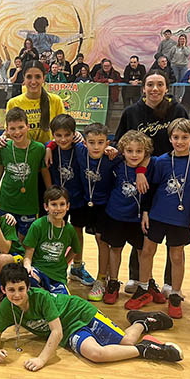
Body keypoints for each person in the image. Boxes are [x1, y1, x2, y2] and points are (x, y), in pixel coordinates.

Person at [114, 70, 190, 296]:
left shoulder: (177, 110)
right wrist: (139, 169)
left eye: (159, 84)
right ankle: (137, 276)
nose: (154, 89)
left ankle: (169, 282)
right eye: (150, 84)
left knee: (173, 232)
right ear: (143, 88)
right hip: (141, 177)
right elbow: (119, 143)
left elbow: (186, 137)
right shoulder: (131, 112)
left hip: (171, 175)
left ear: (166, 88)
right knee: (144, 229)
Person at [0, 264, 182, 371]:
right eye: (11, 290)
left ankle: (142, 322)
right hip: (70, 330)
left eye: (21, 289)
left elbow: (56, 332)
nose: (17, 295)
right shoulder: (7, 306)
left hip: (80, 312)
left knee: (127, 342)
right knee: (96, 355)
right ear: (3, 290)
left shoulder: (41, 298)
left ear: (28, 287)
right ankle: (146, 349)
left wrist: (41, 359)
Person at [135, 118, 190, 318]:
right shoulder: (161, 161)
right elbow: (150, 188)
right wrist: (145, 211)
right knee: (147, 251)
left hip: (181, 218)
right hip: (157, 215)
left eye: (184, 137)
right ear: (170, 138)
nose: (180, 141)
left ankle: (175, 293)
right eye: (176, 137)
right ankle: (144, 287)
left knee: (176, 256)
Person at [98, 130, 153, 306]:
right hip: (116, 215)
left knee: (142, 251)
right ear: (122, 151)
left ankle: (145, 285)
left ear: (145, 152)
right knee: (115, 249)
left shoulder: (150, 167)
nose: (134, 155)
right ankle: (113, 282)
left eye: (139, 151)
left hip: (138, 219)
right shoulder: (117, 164)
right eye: (129, 151)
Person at [45, 114, 95, 287]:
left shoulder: (80, 148)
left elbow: (96, 149)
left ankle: (77, 266)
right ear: (53, 135)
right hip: (57, 200)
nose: (63, 139)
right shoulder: (50, 149)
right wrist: (49, 146)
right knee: (55, 232)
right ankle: (53, 266)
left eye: (67, 135)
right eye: (58, 135)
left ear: (74, 133)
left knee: (77, 232)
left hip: (77, 199)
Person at [73, 123, 118, 302]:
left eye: (101, 142)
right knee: (76, 232)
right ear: (85, 143)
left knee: (101, 240)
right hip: (84, 202)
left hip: (104, 206)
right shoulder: (79, 151)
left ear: (107, 143)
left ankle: (101, 279)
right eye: (92, 142)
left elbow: (138, 156)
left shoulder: (113, 157)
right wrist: (50, 146)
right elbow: (57, 141)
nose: (96, 146)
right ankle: (76, 267)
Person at [0, 107, 47, 240]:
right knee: (7, 240)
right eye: (12, 128)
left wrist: (49, 192)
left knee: (25, 242)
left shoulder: (39, 149)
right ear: (7, 130)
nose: (17, 132)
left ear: (28, 126)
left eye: (21, 127)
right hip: (6, 203)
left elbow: (44, 172)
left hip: (28, 205)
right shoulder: (4, 147)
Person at [22, 186, 81, 296]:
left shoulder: (70, 230)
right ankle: (44, 294)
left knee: (63, 301)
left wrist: (64, 262)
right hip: (38, 270)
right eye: (54, 204)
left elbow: (76, 249)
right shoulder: (37, 225)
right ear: (46, 207)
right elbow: (28, 256)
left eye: (62, 204)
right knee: (28, 283)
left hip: (58, 276)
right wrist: (27, 267)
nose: (58, 208)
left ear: (68, 206)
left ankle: (46, 294)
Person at [3, 60, 65, 145]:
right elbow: (9, 132)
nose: (33, 81)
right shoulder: (13, 103)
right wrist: (2, 138)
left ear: (44, 78)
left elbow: (64, 128)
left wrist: (76, 134)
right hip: (23, 152)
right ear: (24, 78)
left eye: (37, 77)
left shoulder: (56, 101)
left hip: (49, 152)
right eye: (29, 77)